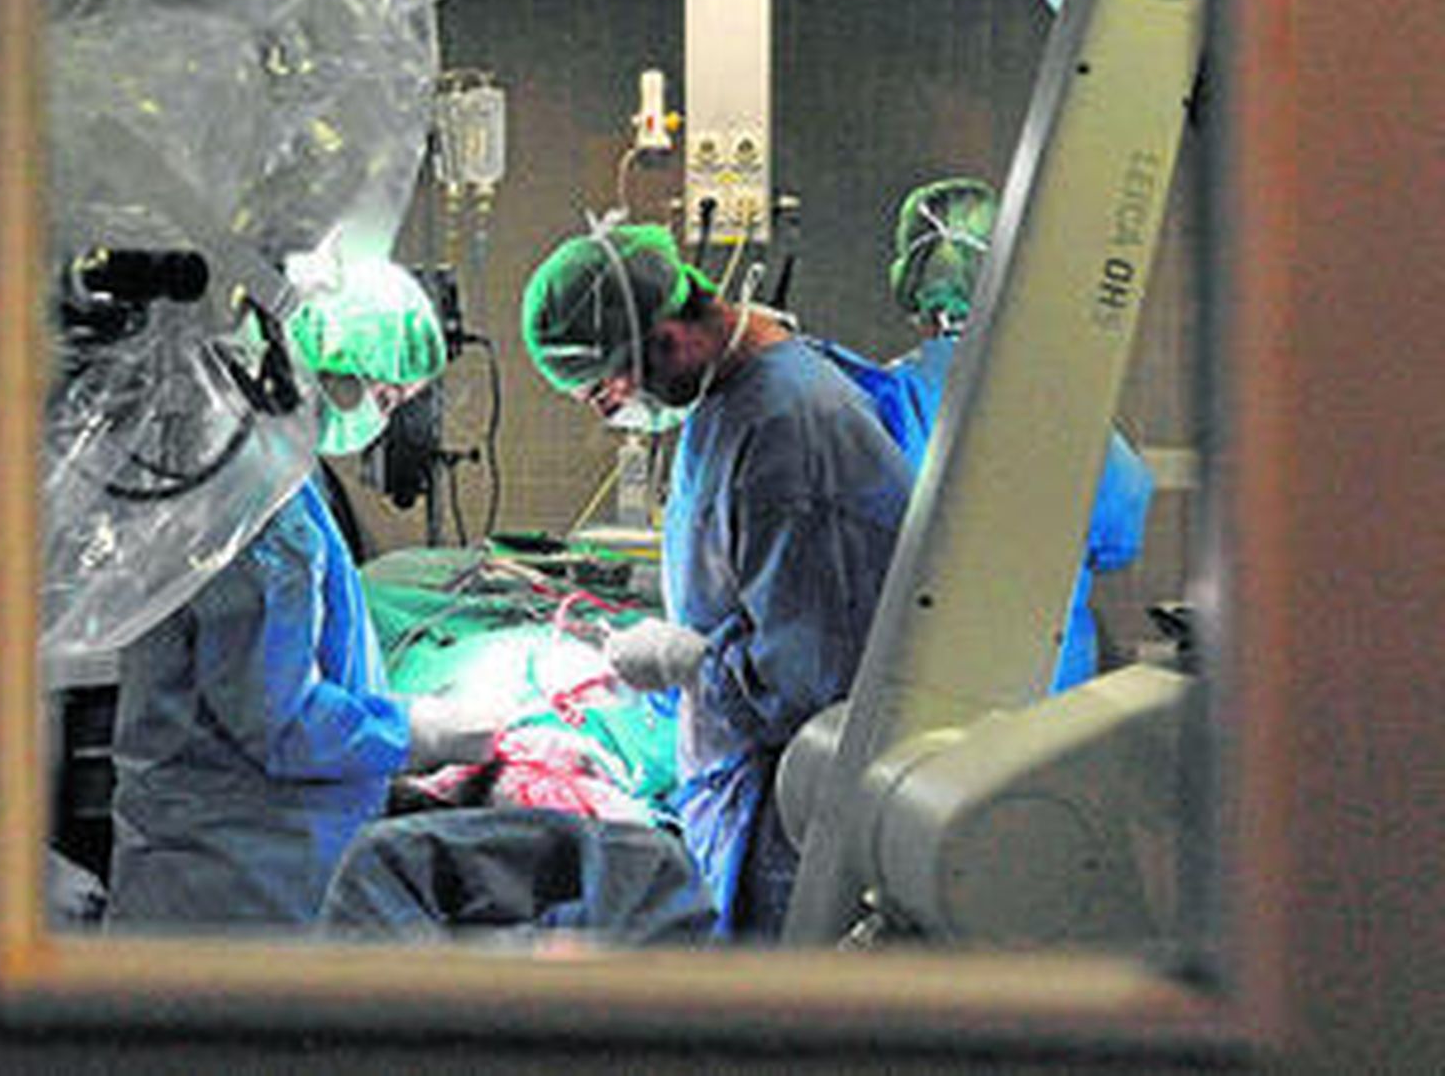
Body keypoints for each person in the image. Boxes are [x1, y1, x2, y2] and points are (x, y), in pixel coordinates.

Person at [521, 221, 914, 938]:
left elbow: (817, 681)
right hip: (742, 792)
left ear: (670, 338)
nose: (614, 413)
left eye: (607, 391)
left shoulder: (793, 427)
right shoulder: (727, 400)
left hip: (790, 816)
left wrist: (686, 662)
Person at [107, 257, 508, 928]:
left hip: (248, 863)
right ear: (336, 367)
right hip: (236, 887)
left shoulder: (276, 473)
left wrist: (394, 727)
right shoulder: (258, 505)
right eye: (386, 395)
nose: (386, 415)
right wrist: (415, 730)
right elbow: (282, 722)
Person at [879, 176, 1154, 690]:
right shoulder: (1054, 394)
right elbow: (1121, 531)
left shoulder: (884, 399)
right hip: (1045, 709)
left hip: (923, 707)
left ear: (908, 281)